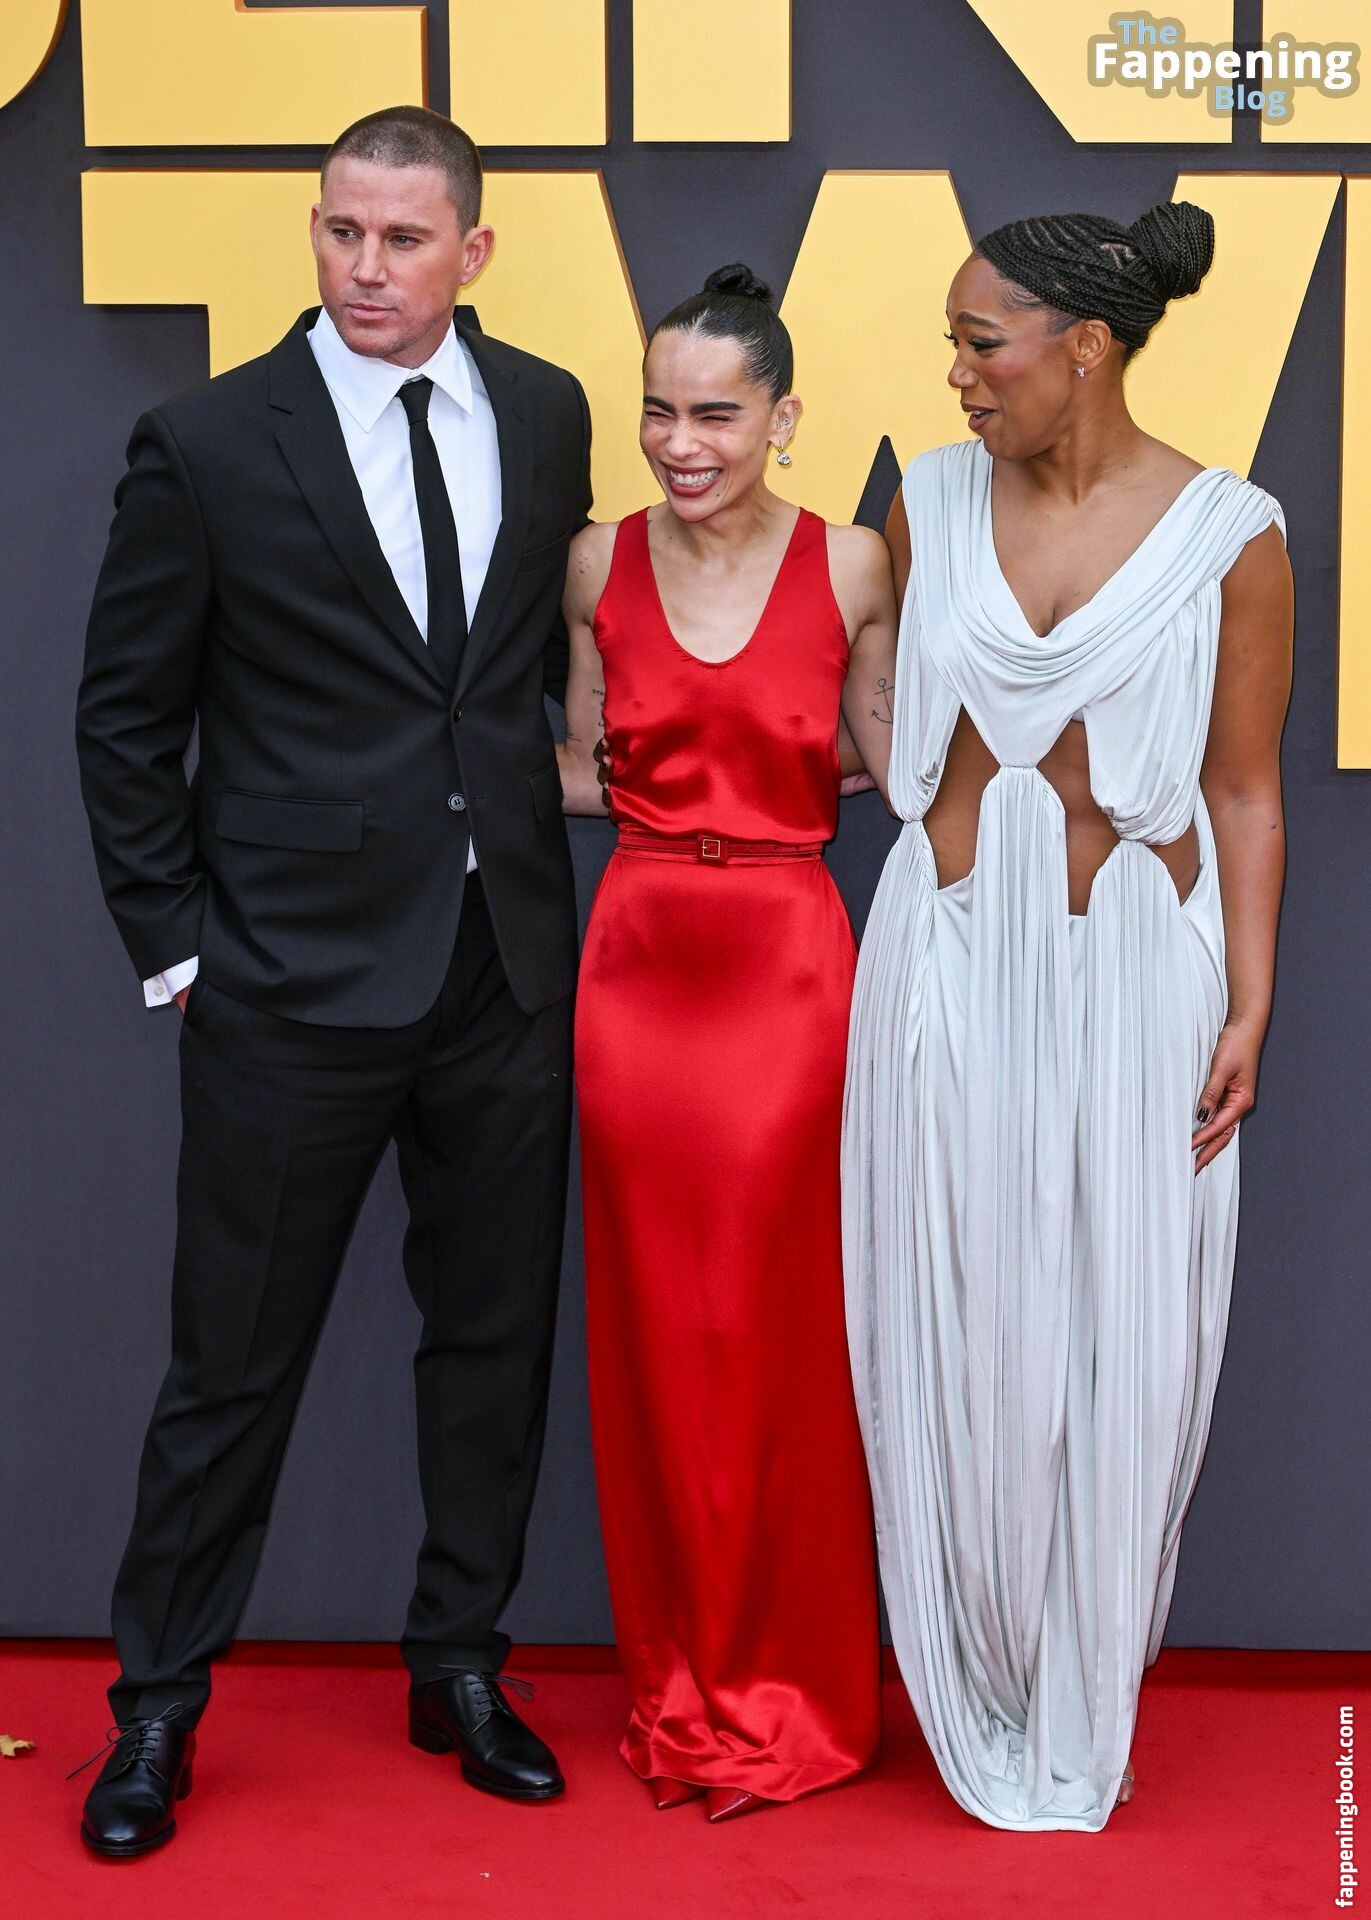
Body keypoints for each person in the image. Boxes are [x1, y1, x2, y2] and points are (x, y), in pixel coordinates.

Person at [72, 106, 591, 1856]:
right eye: (341, 232)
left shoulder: (546, 411)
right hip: (286, 987)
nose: (366, 268)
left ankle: (461, 1663)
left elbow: (521, 681)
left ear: (472, 250)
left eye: (403, 238)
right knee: (230, 1367)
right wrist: (179, 953)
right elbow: (126, 718)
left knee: (494, 1341)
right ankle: (156, 1709)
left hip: (503, 968)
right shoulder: (210, 442)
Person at [842, 202, 1294, 1831]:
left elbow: (1245, 790)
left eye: (984, 343)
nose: (960, 374)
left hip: (1133, 979)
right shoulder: (928, 501)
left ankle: (1080, 1688)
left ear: (1085, 346)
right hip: (951, 961)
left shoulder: (1232, 533)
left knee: (1122, 1335)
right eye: (955, 345)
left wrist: (1251, 999)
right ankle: (975, 1666)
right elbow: (880, 711)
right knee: (953, 1314)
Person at [559, 265, 896, 1823]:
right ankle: (680, 1680)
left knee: (779, 1331)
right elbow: (583, 763)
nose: (680, 444)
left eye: (714, 414)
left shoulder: (855, 562)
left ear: (782, 415)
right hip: (636, 968)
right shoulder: (595, 561)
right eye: (657, 412)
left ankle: (792, 1688)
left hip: (786, 969)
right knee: (652, 1333)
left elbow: (886, 760)